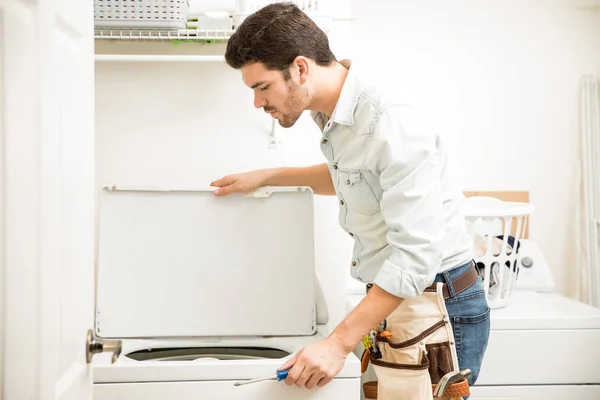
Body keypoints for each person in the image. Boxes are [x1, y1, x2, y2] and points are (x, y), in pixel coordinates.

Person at [210, 2, 490, 399]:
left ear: (301, 68)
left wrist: (337, 344)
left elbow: (415, 256)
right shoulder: (336, 115)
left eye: (262, 87)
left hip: (437, 301)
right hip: (396, 297)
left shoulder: (391, 121)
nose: (258, 103)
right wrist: (267, 176)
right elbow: (355, 178)